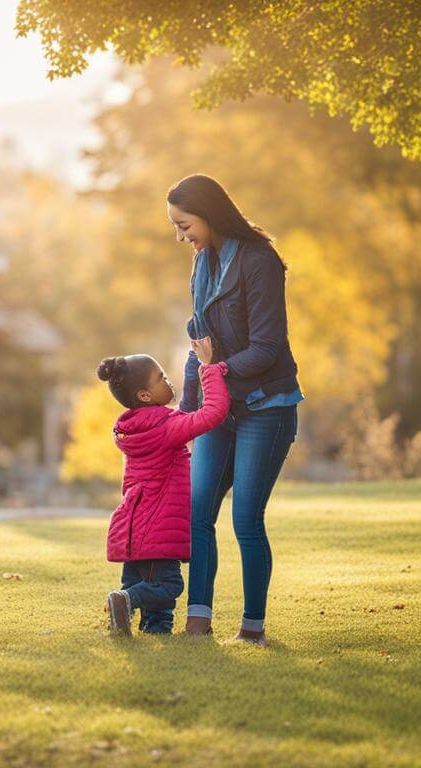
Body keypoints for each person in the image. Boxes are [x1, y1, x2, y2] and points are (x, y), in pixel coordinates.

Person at [169, 174, 303, 646]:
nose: (180, 236)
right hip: (217, 406)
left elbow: (267, 347)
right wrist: (183, 418)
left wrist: (215, 373)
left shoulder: (259, 262)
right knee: (198, 510)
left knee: (246, 517)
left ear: (209, 213)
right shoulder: (202, 264)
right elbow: (198, 344)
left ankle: (253, 628)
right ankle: (198, 621)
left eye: (185, 225)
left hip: (267, 406)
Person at [99, 337, 230, 636]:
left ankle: (136, 620)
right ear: (145, 395)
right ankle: (127, 600)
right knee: (168, 585)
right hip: (159, 529)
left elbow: (180, 414)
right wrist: (209, 368)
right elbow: (212, 413)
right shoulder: (166, 428)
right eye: (161, 379)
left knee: (154, 609)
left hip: (134, 531)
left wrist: (193, 365)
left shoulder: (135, 428)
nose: (167, 382)